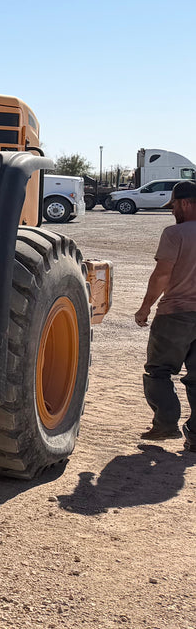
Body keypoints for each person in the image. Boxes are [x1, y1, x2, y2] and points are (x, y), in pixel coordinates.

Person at [135, 179, 196, 450]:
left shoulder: (175, 234)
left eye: (174, 206)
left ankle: (165, 424)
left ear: (184, 203)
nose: (172, 212)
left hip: (176, 314)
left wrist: (145, 307)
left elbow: (162, 275)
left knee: (158, 371)